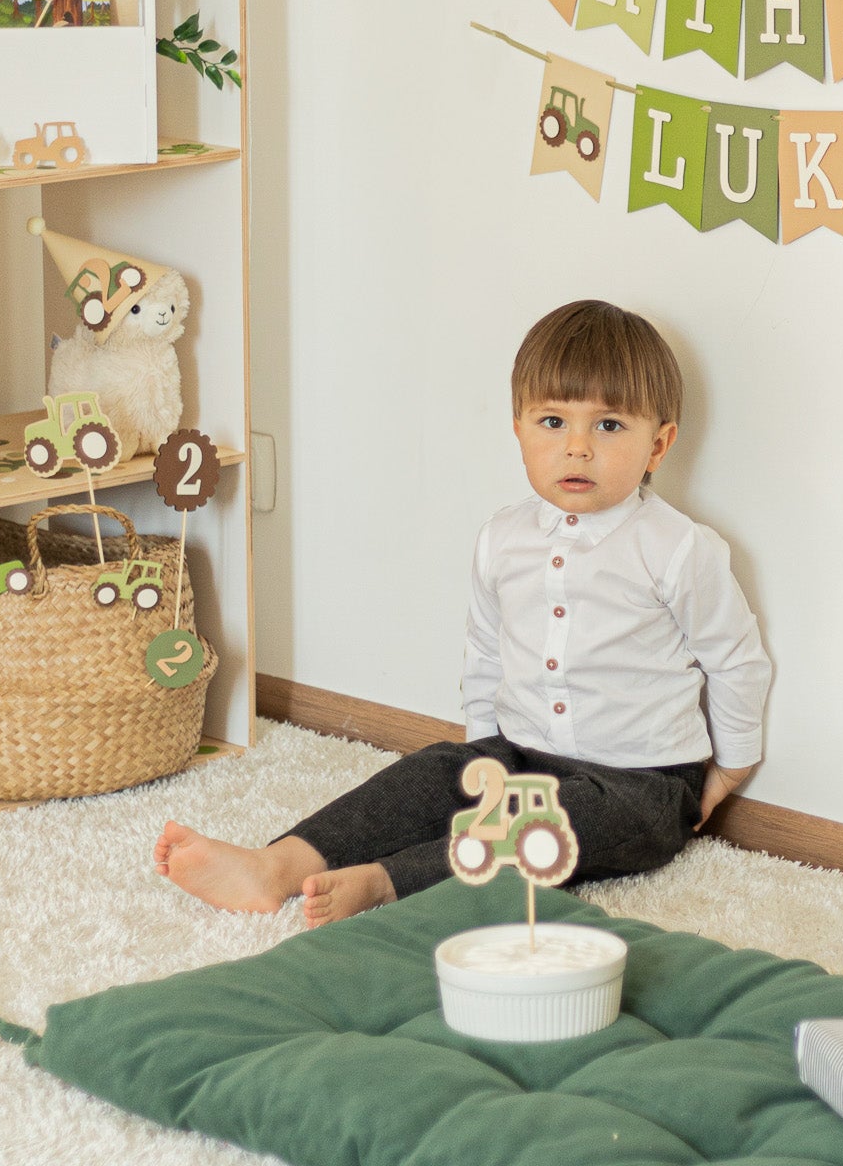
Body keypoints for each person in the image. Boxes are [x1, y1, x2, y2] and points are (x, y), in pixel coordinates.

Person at [156, 299, 772, 927]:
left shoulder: (678, 547)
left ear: (658, 445)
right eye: (553, 422)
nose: (577, 448)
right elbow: (485, 649)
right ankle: (278, 864)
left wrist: (728, 770)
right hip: (520, 750)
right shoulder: (502, 538)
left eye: (609, 426)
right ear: (518, 429)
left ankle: (388, 883)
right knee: (431, 774)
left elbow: (736, 661)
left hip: (638, 784)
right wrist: (482, 751)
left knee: (553, 826)